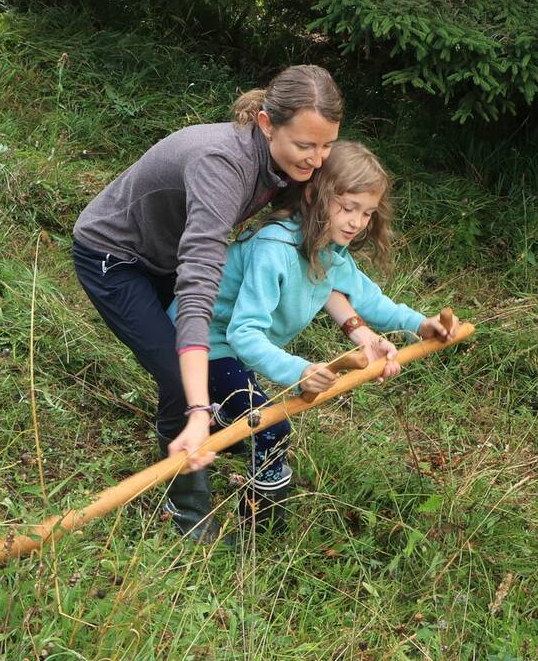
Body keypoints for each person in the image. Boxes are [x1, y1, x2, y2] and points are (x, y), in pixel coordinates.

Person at [72, 66, 397, 543]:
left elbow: (318, 258)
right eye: (306, 146)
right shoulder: (221, 164)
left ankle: (189, 439)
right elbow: (200, 282)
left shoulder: (292, 165)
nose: (318, 159)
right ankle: (189, 515)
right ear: (267, 125)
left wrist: (358, 329)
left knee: (184, 375)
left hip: (170, 255)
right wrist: (201, 407)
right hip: (116, 257)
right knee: (181, 378)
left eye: (327, 145)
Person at [203, 141, 460, 534]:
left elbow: (369, 298)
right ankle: (260, 532)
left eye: (367, 212)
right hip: (209, 344)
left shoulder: (330, 249)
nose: (357, 222)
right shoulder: (274, 248)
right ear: (315, 195)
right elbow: (243, 332)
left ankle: (216, 419)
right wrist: (300, 371)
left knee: (244, 410)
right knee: (271, 427)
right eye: (348, 207)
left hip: (239, 349)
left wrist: (419, 324)